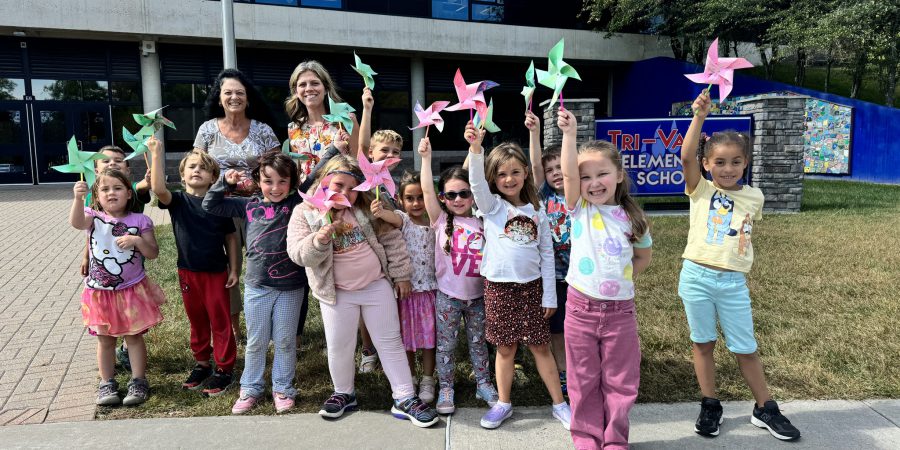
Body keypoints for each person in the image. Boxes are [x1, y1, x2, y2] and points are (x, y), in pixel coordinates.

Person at [680, 91, 800, 441]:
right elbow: (686, 155)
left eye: (735, 162)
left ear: (745, 163)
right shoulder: (699, 190)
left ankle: (764, 407)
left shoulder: (754, 196)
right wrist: (698, 117)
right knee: (702, 343)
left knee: (744, 347)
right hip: (696, 278)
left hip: (733, 283)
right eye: (719, 162)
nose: (727, 168)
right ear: (706, 164)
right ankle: (710, 403)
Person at [286, 155, 439, 428]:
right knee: (340, 344)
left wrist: (401, 275)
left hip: (375, 285)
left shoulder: (368, 208)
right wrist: (320, 238)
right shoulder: (306, 211)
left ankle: (404, 397)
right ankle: (344, 392)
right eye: (337, 185)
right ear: (323, 182)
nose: (344, 193)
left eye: (351, 189)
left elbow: (393, 240)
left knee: (390, 341)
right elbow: (299, 255)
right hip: (336, 292)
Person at [465, 122, 571, 430]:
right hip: (499, 289)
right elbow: (475, 186)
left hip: (533, 289)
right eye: (500, 174)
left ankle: (559, 405)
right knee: (506, 348)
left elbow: (547, 256)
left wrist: (549, 295)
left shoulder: (538, 212)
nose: (508, 179)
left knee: (540, 347)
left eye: (514, 171)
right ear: (493, 180)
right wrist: (475, 150)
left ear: (525, 172)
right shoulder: (491, 207)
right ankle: (504, 403)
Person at [558, 109, 653, 449]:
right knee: (582, 379)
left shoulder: (633, 217)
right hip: (580, 309)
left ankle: (614, 439)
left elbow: (642, 257)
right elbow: (568, 175)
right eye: (585, 177)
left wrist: (621, 278)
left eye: (602, 174)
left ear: (618, 174)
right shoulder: (580, 207)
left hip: (620, 313)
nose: (593, 183)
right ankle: (585, 436)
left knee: (621, 381)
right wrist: (569, 135)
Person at [203, 151, 306, 415]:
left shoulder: (297, 202)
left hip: (291, 287)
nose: (275, 188)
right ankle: (250, 388)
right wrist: (225, 183)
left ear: (292, 182)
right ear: (258, 180)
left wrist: (333, 150)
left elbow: (314, 177)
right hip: (257, 286)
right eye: (268, 181)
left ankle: (282, 388)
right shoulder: (247, 205)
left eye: (283, 181)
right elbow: (210, 205)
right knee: (257, 340)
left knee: (284, 340)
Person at [194, 68, 281, 346]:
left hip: (259, 207)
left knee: (265, 263)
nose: (234, 97)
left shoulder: (263, 130)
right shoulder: (207, 130)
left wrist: (255, 183)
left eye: (240, 93)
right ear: (219, 98)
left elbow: (277, 169)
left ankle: (267, 324)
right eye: (228, 92)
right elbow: (196, 167)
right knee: (226, 267)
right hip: (219, 208)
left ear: (248, 98)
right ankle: (233, 329)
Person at [148, 137, 239, 397]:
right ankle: (201, 363)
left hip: (216, 273)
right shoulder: (177, 201)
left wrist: (233, 269)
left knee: (220, 321)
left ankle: (224, 368)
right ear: (183, 175)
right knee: (196, 320)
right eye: (191, 167)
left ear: (213, 177)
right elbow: (157, 188)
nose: (196, 170)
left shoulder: (219, 204)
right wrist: (156, 153)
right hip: (188, 272)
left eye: (202, 167)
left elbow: (230, 238)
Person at [69, 168, 165, 407]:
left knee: (133, 337)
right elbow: (76, 222)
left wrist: (137, 241)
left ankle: (138, 380)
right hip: (100, 293)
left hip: (132, 290)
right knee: (104, 339)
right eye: (105, 189)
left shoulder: (140, 221)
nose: (111, 193)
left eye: (118, 188)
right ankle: (107, 383)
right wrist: (78, 199)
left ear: (129, 194)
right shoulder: (92, 216)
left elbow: (152, 253)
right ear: (97, 196)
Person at [418, 138, 497, 415]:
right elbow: (427, 190)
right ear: (443, 199)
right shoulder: (440, 220)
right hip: (448, 298)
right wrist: (426, 160)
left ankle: (484, 382)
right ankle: (446, 386)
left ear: (473, 195)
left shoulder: (484, 221)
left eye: (464, 194)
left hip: (478, 298)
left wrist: (475, 148)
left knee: (479, 344)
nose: (458, 200)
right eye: (451, 195)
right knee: (446, 346)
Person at [80, 145, 152, 372]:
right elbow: (91, 232)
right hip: (103, 272)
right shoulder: (92, 199)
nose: (112, 164)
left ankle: (128, 352)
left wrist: (151, 175)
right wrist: (85, 257)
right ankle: (109, 374)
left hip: (130, 265)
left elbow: (144, 186)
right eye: (106, 161)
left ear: (129, 171)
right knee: (107, 328)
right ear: (95, 168)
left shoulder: (132, 193)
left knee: (130, 323)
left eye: (118, 161)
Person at [525, 110, 571, 396]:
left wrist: (568, 134)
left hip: (580, 275)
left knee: (576, 329)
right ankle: (563, 373)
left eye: (560, 167)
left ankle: (582, 367)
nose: (556, 173)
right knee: (556, 330)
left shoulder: (581, 195)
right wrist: (535, 131)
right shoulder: (543, 195)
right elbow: (534, 164)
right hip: (552, 277)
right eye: (550, 169)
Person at [387, 172, 438, 403]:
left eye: (420, 197)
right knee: (406, 340)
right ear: (400, 199)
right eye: (410, 198)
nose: (416, 203)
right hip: (407, 293)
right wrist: (379, 210)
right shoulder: (402, 219)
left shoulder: (435, 220)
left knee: (429, 339)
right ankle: (410, 377)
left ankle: (428, 379)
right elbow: (391, 218)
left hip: (430, 290)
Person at [286, 60, 359, 183]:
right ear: (296, 92)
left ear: (325, 89)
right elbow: (298, 172)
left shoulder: (346, 120)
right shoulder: (293, 128)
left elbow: (358, 162)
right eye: (302, 85)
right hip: (306, 197)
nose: (308, 89)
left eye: (315, 83)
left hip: (337, 195)